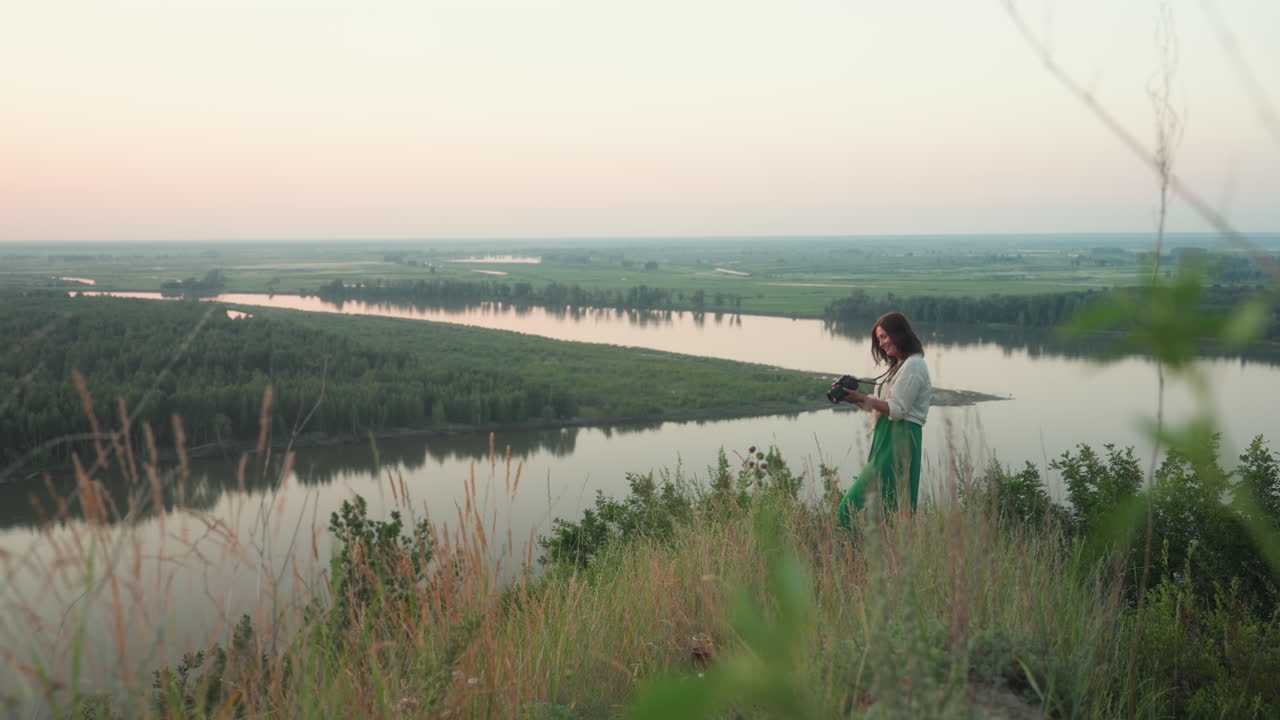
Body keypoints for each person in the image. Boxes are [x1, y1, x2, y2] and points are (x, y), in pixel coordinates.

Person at [836, 311, 932, 529]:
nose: (882, 343)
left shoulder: (914, 365)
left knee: (852, 507)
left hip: (901, 438)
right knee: (881, 508)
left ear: (901, 334)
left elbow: (897, 409)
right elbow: (883, 407)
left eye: (886, 336)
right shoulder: (899, 365)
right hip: (886, 436)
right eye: (879, 339)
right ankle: (871, 558)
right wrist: (853, 399)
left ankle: (866, 557)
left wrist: (861, 397)